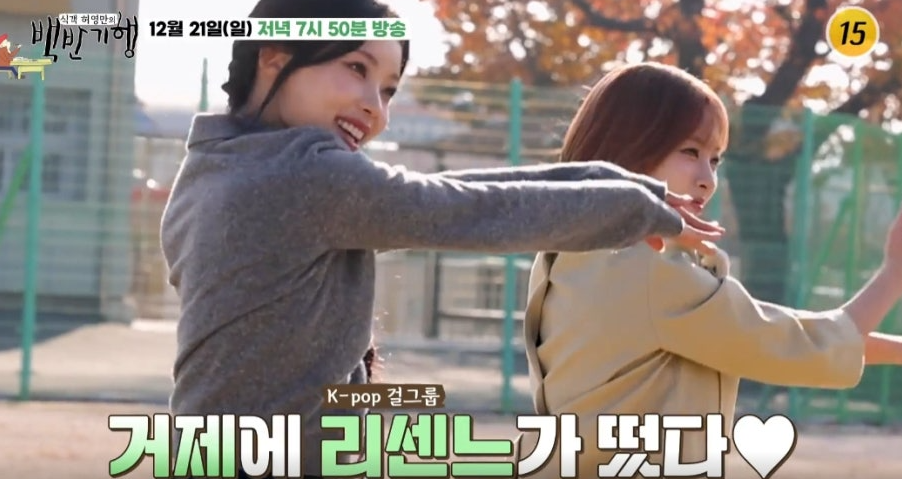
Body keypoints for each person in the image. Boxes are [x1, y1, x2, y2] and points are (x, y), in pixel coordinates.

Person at [159, 1, 724, 477]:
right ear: (275, 55)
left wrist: (626, 187)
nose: (374, 108)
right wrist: (636, 207)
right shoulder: (308, 175)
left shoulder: (212, 170)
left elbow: (452, 191)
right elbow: (469, 209)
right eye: (356, 68)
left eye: (388, 90)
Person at [517, 61, 902, 478]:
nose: (708, 179)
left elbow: (756, 330)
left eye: (716, 159)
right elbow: (791, 344)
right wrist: (898, 272)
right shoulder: (650, 267)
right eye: (690, 152)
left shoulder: (568, 252)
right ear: (627, 147)